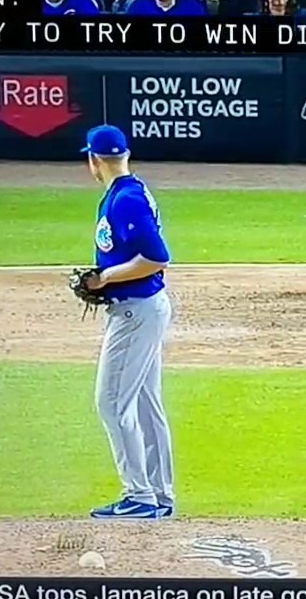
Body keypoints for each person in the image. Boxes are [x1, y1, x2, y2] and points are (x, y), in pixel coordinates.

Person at [73, 124, 176, 520]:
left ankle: (140, 495)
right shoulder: (128, 191)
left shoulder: (125, 200)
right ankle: (158, 494)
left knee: (113, 402)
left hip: (135, 311)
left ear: (93, 160)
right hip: (144, 308)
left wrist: (104, 279)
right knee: (147, 405)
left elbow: (157, 256)